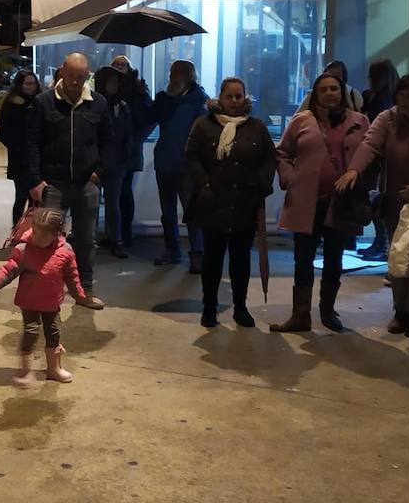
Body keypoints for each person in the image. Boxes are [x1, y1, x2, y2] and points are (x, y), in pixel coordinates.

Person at [337, 73, 409, 337]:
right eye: (401, 96)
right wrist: (354, 170)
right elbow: (370, 144)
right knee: (399, 257)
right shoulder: (388, 118)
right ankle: (400, 311)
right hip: (395, 201)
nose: (404, 102)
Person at [270, 71, 370, 333]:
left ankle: (328, 312)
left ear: (343, 92)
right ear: (315, 95)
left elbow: (370, 155)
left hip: (342, 202)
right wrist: (291, 178)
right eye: (323, 89)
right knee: (302, 258)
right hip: (307, 202)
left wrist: (360, 181)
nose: (329, 93)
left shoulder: (360, 121)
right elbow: (281, 153)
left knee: (334, 258)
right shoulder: (302, 121)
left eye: (334, 88)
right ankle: (300, 315)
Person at [185, 77, 278, 329]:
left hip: (244, 203)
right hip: (213, 202)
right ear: (220, 98)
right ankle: (209, 308)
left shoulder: (256, 127)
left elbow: (270, 158)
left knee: (240, 260)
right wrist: (204, 183)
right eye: (229, 96)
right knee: (212, 260)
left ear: (245, 98)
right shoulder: (204, 125)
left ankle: (240, 307)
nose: (234, 101)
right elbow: (191, 156)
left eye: (239, 96)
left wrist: (262, 183)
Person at [24, 53, 109, 310]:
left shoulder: (98, 103)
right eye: (71, 75)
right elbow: (30, 143)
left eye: (80, 77)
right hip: (53, 184)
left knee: (85, 239)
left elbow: (109, 141)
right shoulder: (43, 103)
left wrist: (100, 172)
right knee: (45, 238)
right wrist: (36, 180)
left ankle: (84, 290)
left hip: (86, 183)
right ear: (62, 71)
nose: (74, 82)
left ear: (87, 76)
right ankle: (45, 292)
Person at [0, 207, 85, 386]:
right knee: (31, 331)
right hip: (29, 301)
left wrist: (79, 294)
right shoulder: (23, 249)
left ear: (56, 234)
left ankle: (54, 369)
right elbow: (9, 270)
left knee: (54, 333)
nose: (36, 238)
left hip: (52, 302)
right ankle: (25, 370)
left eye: (43, 236)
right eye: (35, 232)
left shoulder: (66, 251)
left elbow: (72, 276)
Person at [151, 59, 208, 270]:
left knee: (191, 212)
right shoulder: (164, 99)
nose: (171, 77)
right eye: (171, 72)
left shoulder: (199, 102)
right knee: (167, 211)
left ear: (188, 77)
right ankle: (171, 249)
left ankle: (197, 253)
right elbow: (149, 116)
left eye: (177, 73)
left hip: (187, 166)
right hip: (165, 161)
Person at [358, 59, 400, 261]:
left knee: (377, 198)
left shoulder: (381, 99)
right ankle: (380, 242)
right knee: (376, 198)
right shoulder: (385, 97)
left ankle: (382, 243)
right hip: (380, 153)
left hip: (379, 155)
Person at [110, 55, 153, 247]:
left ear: (129, 67)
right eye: (116, 65)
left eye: (123, 65)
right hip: (110, 148)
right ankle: (114, 233)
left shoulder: (138, 88)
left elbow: (150, 117)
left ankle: (124, 233)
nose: (120, 68)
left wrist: (137, 139)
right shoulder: (108, 87)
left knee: (124, 191)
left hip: (129, 148)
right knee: (112, 194)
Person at [94, 65, 136, 259]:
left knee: (113, 205)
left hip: (116, 164)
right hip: (95, 165)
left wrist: (125, 159)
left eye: (117, 82)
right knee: (91, 205)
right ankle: (89, 240)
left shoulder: (122, 105)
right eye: (111, 81)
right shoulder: (93, 104)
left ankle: (115, 240)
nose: (115, 85)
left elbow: (128, 133)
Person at [0, 71, 41, 226]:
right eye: (27, 83)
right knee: (21, 197)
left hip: (36, 159)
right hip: (20, 160)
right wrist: (17, 147)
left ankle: (32, 230)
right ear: (19, 85)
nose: (31, 87)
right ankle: (16, 230)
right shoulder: (12, 105)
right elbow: (1, 134)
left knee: (36, 198)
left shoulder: (39, 103)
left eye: (33, 83)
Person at [295, 59, 365, 114]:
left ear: (344, 77)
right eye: (330, 75)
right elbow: (297, 119)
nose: (329, 93)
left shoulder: (354, 94)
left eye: (337, 76)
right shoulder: (313, 94)